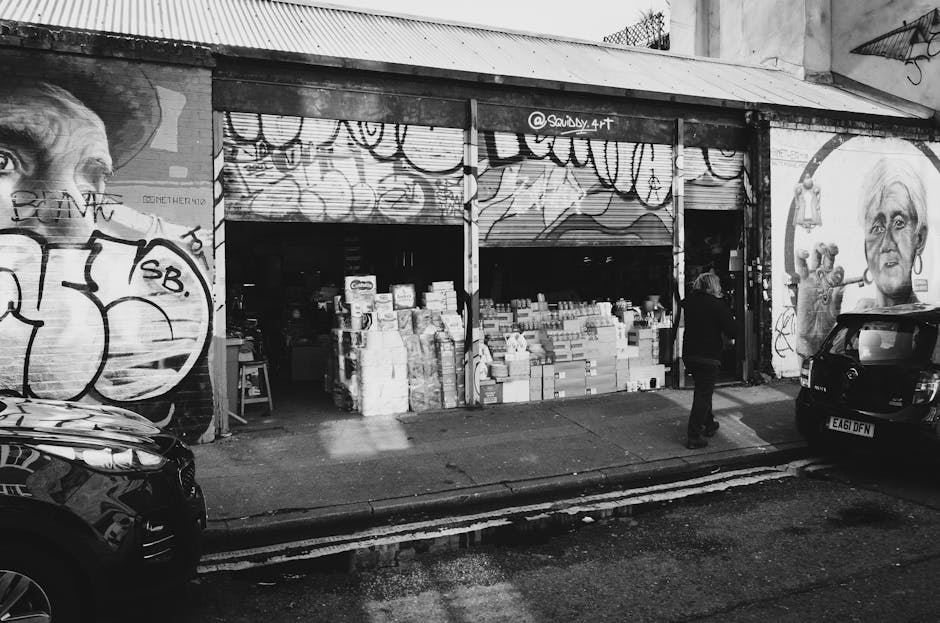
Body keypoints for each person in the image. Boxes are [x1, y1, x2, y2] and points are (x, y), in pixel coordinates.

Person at [793, 157, 929, 359]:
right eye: (877, 227)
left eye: (899, 223)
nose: (887, 243)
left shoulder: (931, 330)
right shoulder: (855, 325)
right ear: (866, 249)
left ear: (919, 238)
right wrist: (813, 344)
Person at [681, 272, 737, 449]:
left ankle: (709, 423)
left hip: (690, 355)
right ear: (714, 286)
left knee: (704, 390)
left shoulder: (689, 302)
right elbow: (732, 331)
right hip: (708, 357)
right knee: (703, 395)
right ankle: (694, 435)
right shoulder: (717, 305)